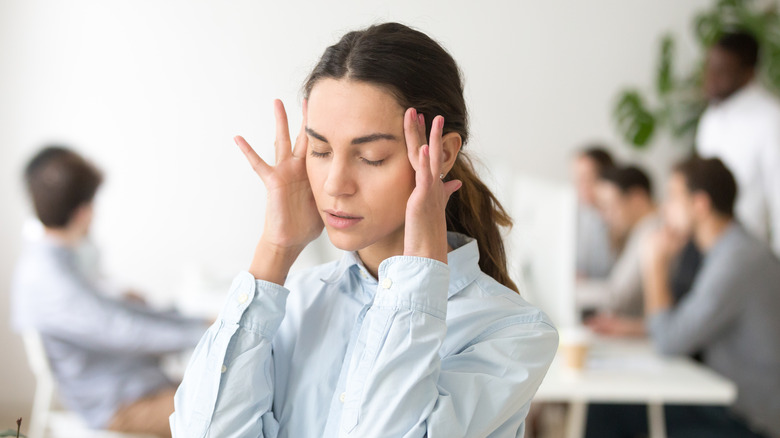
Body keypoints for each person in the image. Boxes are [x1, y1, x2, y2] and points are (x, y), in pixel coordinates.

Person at [170, 22, 558, 438]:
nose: (335, 184)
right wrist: (275, 249)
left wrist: (418, 272)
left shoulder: (512, 332)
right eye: (320, 150)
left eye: (371, 156)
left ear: (442, 154)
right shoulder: (291, 303)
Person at [11, 146, 210, 438]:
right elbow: (126, 329)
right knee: (234, 410)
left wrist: (193, 321)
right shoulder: (50, 279)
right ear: (83, 211)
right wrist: (207, 330)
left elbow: (122, 313)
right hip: (122, 405)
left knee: (240, 390)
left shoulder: (65, 258)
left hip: (141, 383)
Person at [587, 157, 780, 437]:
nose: (664, 209)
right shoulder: (730, 250)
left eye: (673, 198)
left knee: (609, 410)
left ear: (700, 204)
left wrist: (654, 266)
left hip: (748, 419)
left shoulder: (735, 262)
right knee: (613, 405)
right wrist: (635, 328)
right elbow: (691, 324)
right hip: (728, 401)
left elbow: (669, 341)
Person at [696, 30, 780, 256]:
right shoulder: (710, 119)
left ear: (748, 74)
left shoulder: (771, 119)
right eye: (710, 68)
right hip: (708, 251)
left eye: (721, 71)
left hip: (751, 255)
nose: (710, 78)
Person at [576, 165, 660, 321]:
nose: (606, 217)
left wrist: (568, 289)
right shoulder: (642, 230)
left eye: (610, 206)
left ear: (637, 199)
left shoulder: (651, 231)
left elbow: (617, 295)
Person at [573, 146, 617, 279]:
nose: (580, 187)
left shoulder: (617, 220)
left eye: (586, 179)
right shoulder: (583, 215)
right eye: (577, 179)